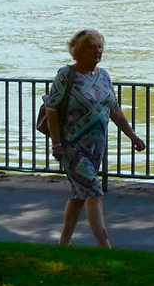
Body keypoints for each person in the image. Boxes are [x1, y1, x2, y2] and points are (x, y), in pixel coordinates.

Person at [41, 29, 147, 247]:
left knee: (79, 195)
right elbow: (51, 108)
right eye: (92, 47)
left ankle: (63, 244)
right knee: (94, 191)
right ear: (79, 51)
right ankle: (105, 247)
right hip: (72, 146)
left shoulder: (104, 76)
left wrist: (133, 136)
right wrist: (57, 143)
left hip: (96, 146)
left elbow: (114, 110)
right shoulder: (65, 75)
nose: (98, 51)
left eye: (100, 46)